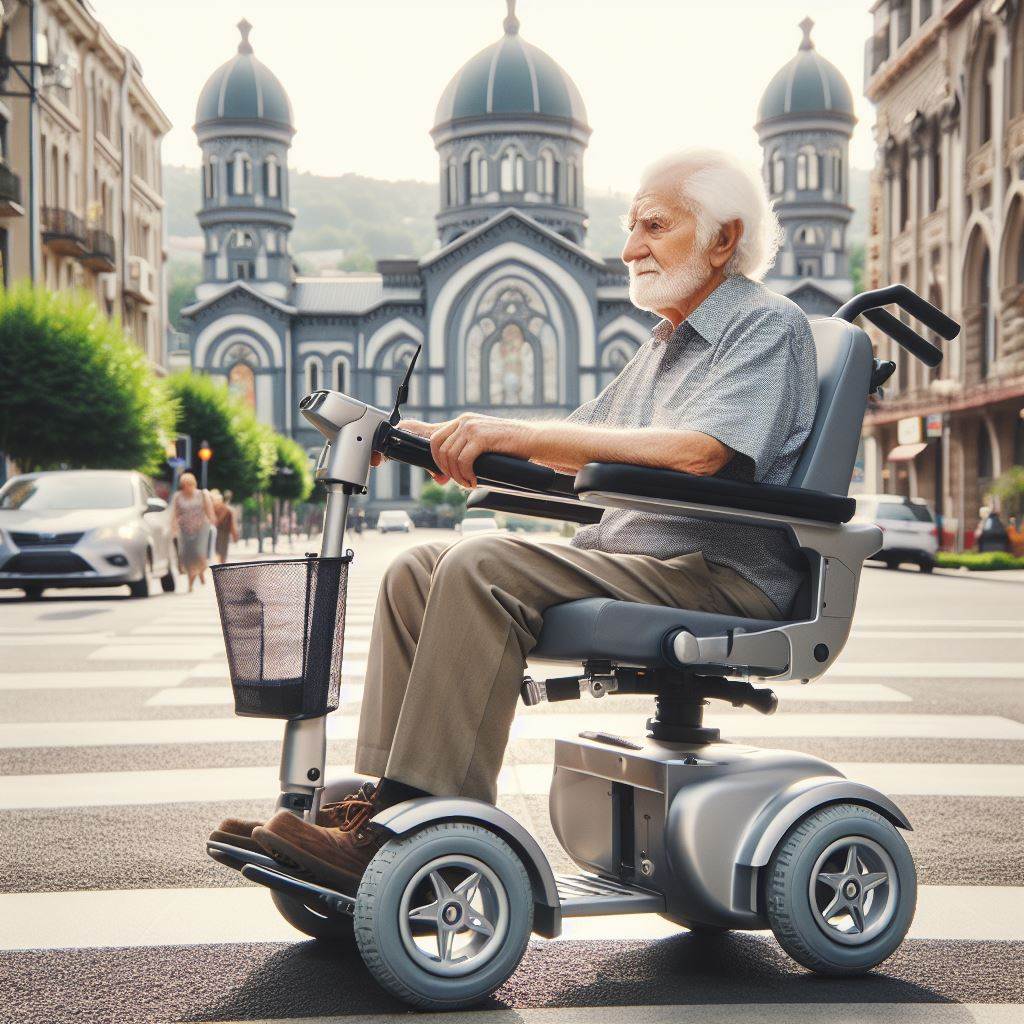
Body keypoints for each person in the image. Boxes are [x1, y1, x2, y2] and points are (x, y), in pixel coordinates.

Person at [214, 148, 818, 894]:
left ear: (724, 239)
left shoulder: (765, 326)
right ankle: (381, 798)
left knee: (482, 566)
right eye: (630, 226)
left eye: (654, 226)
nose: (630, 247)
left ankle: (425, 818)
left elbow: (698, 455)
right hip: (647, 564)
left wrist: (514, 433)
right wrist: (424, 441)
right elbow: (564, 456)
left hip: (717, 578)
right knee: (417, 568)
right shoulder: (664, 346)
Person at [171, 472, 216, 592]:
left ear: (193, 484)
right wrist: (173, 528)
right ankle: (191, 582)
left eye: (189, 484)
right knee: (187, 557)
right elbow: (174, 513)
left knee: (199, 554)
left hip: (201, 528)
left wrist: (213, 522)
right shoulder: (178, 496)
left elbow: (209, 511)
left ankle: (200, 570)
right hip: (185, 529)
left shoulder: (202, 494)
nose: (187, 487)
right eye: (184, 485)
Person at [210, 489, 239, 565]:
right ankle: (220, 566)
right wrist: (234, 534)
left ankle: (220, 566)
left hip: (223, 533)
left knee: (221, 552)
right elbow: (232, 524)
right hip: (220, 533)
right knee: (220, 552)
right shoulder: (226, 510)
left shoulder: (226, 510)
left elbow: (232, 524)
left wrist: (234, 534)